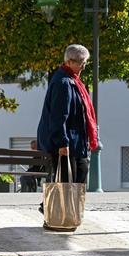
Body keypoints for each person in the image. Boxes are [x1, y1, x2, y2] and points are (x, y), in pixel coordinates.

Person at [37, 44, 99, 203]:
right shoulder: (63, 83)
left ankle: (65, 214)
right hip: (66, 143)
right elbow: (59, 116)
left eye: (84, 63)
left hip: (76, 141)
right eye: (80, 63)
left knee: (78, 176)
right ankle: (54, 213)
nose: (83, 67)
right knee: (65, 182)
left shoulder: (73, 81)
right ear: (69, 62)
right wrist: (62, 143)